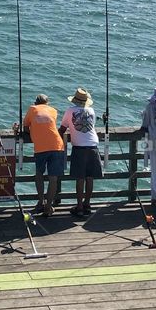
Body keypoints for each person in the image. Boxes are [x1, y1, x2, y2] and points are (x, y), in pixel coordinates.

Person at [15, 93, 62, 217]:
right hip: (57, 145)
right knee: (53, 178)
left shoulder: (32, 109)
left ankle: (41, 202)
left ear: (36, 102)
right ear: (47, 103)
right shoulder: (53, 110)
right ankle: (48, 207)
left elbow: (26, 128)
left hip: (41, 147)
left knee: (39, 174)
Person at [60, 87, 102, 217]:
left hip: (79, 148)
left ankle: (79, 207)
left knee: (80, 178)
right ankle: (87, 204)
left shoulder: (70, 111)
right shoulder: (91, 111)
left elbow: (62, 129)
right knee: (90, 178)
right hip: (93, 146)